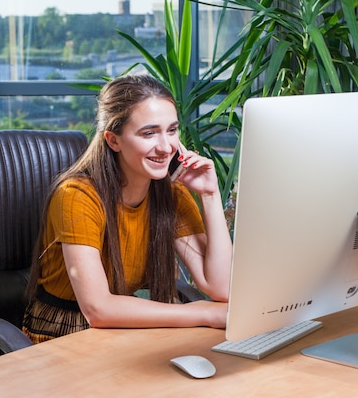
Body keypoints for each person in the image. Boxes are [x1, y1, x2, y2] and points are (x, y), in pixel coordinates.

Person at [22, 73, 232, 343]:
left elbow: (221, 287)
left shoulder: (172, 192)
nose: (166, 147)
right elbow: (98, 309)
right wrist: (202, 313)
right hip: (63, 332)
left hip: (124, 326)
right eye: (149, 133)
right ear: (113, 140)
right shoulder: (77, 196)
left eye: (172, 130)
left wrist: (210, 193)